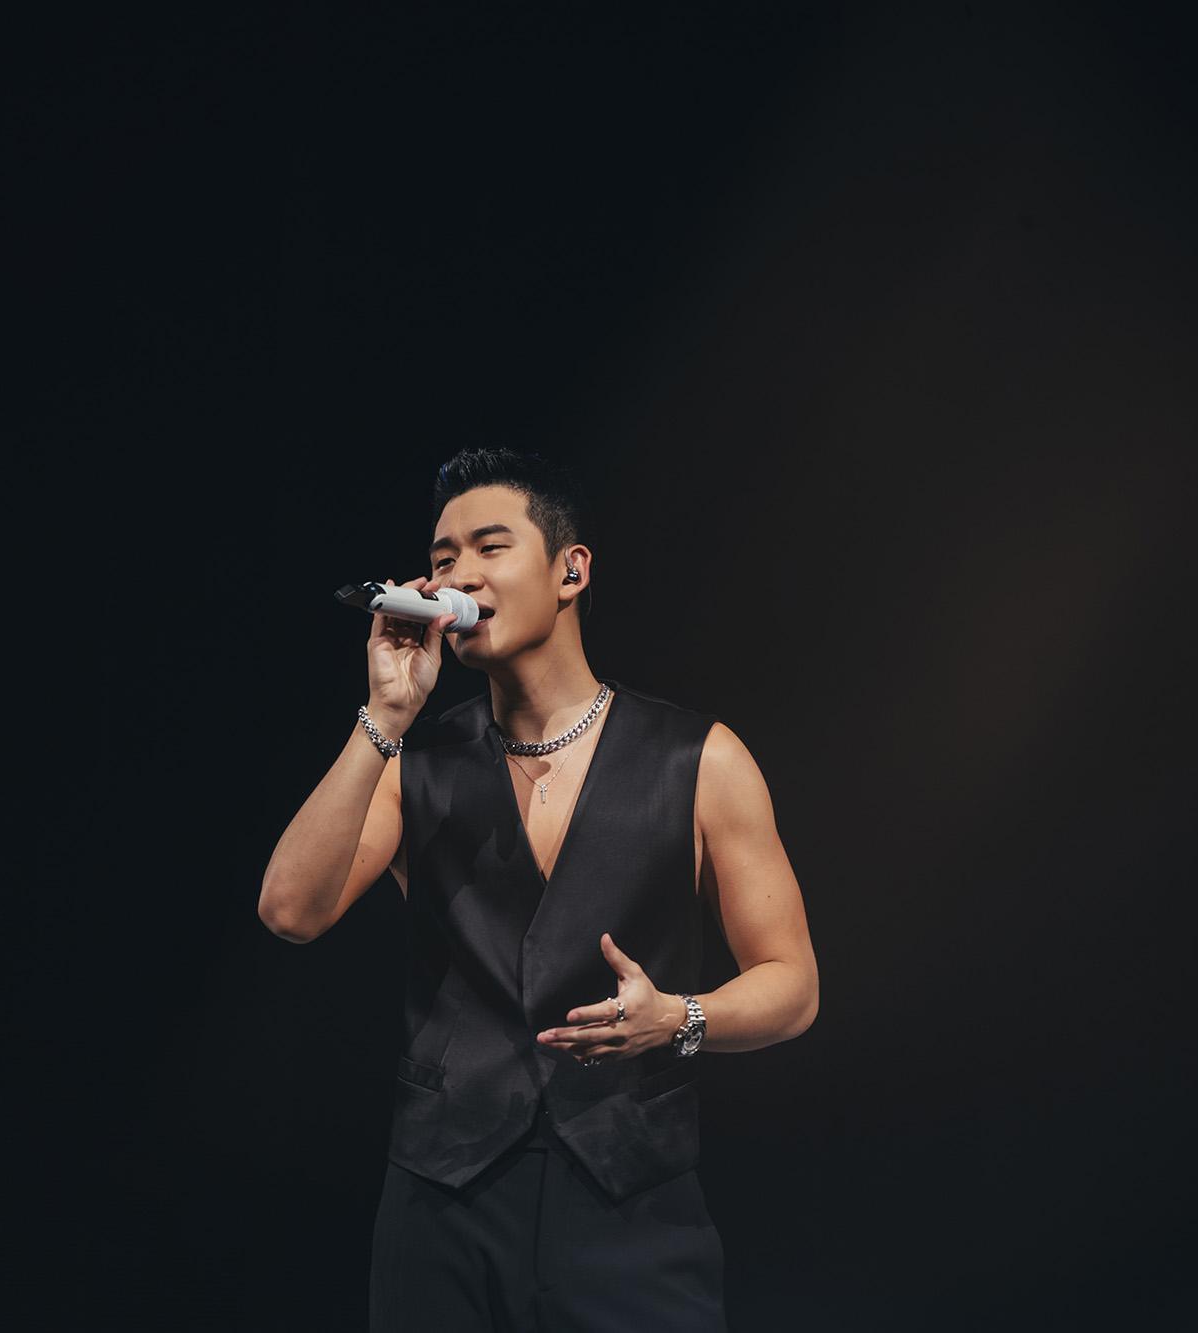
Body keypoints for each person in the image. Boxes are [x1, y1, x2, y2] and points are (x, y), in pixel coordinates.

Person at [259, 449, 819, 1331]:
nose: (459, 576)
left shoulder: (700, 758)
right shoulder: (414, 760)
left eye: (490, 547)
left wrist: (679, 1017)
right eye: (442, 559)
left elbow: (792, 984)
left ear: (570, 570)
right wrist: (387, 715)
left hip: (630, 1205)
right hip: (442, 1200)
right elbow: (290, 909)